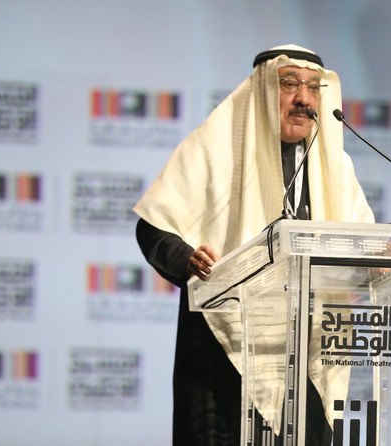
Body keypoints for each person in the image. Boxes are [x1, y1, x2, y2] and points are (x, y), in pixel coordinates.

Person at [133, 44, 374, 445]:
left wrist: (379, 263)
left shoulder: (333, 165)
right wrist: (188, 259)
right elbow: (153, 227)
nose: (304, 99)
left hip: (303, 351)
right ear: (263, 89)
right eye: (290, 84)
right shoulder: (214, 147)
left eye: (313, 87)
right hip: (224, 346)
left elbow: (364, 245)